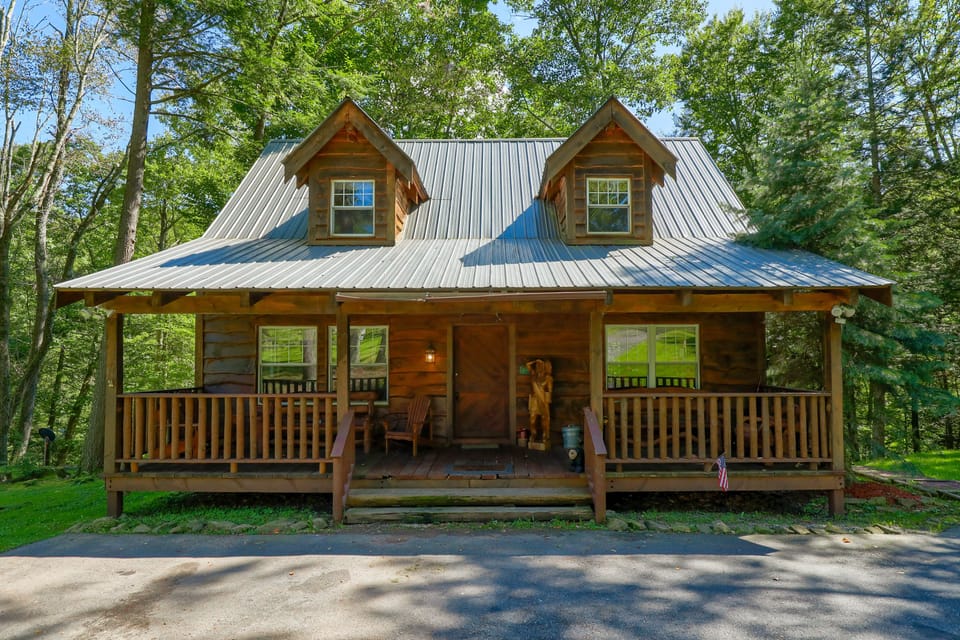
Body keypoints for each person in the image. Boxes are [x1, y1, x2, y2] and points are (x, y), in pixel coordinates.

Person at [526, 359, 553, 444]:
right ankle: (533, 434)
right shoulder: (534, 376)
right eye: (537, 366)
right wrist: (535, 361)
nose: (538, 368)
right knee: (532, 420)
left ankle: (545, 436)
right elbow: (527, 365)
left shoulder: (548, 378)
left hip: (543, 400)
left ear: (543, 367)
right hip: (534, 401)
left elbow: (549, 391)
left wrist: (547, 401)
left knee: (544, 420)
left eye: (540, 366)